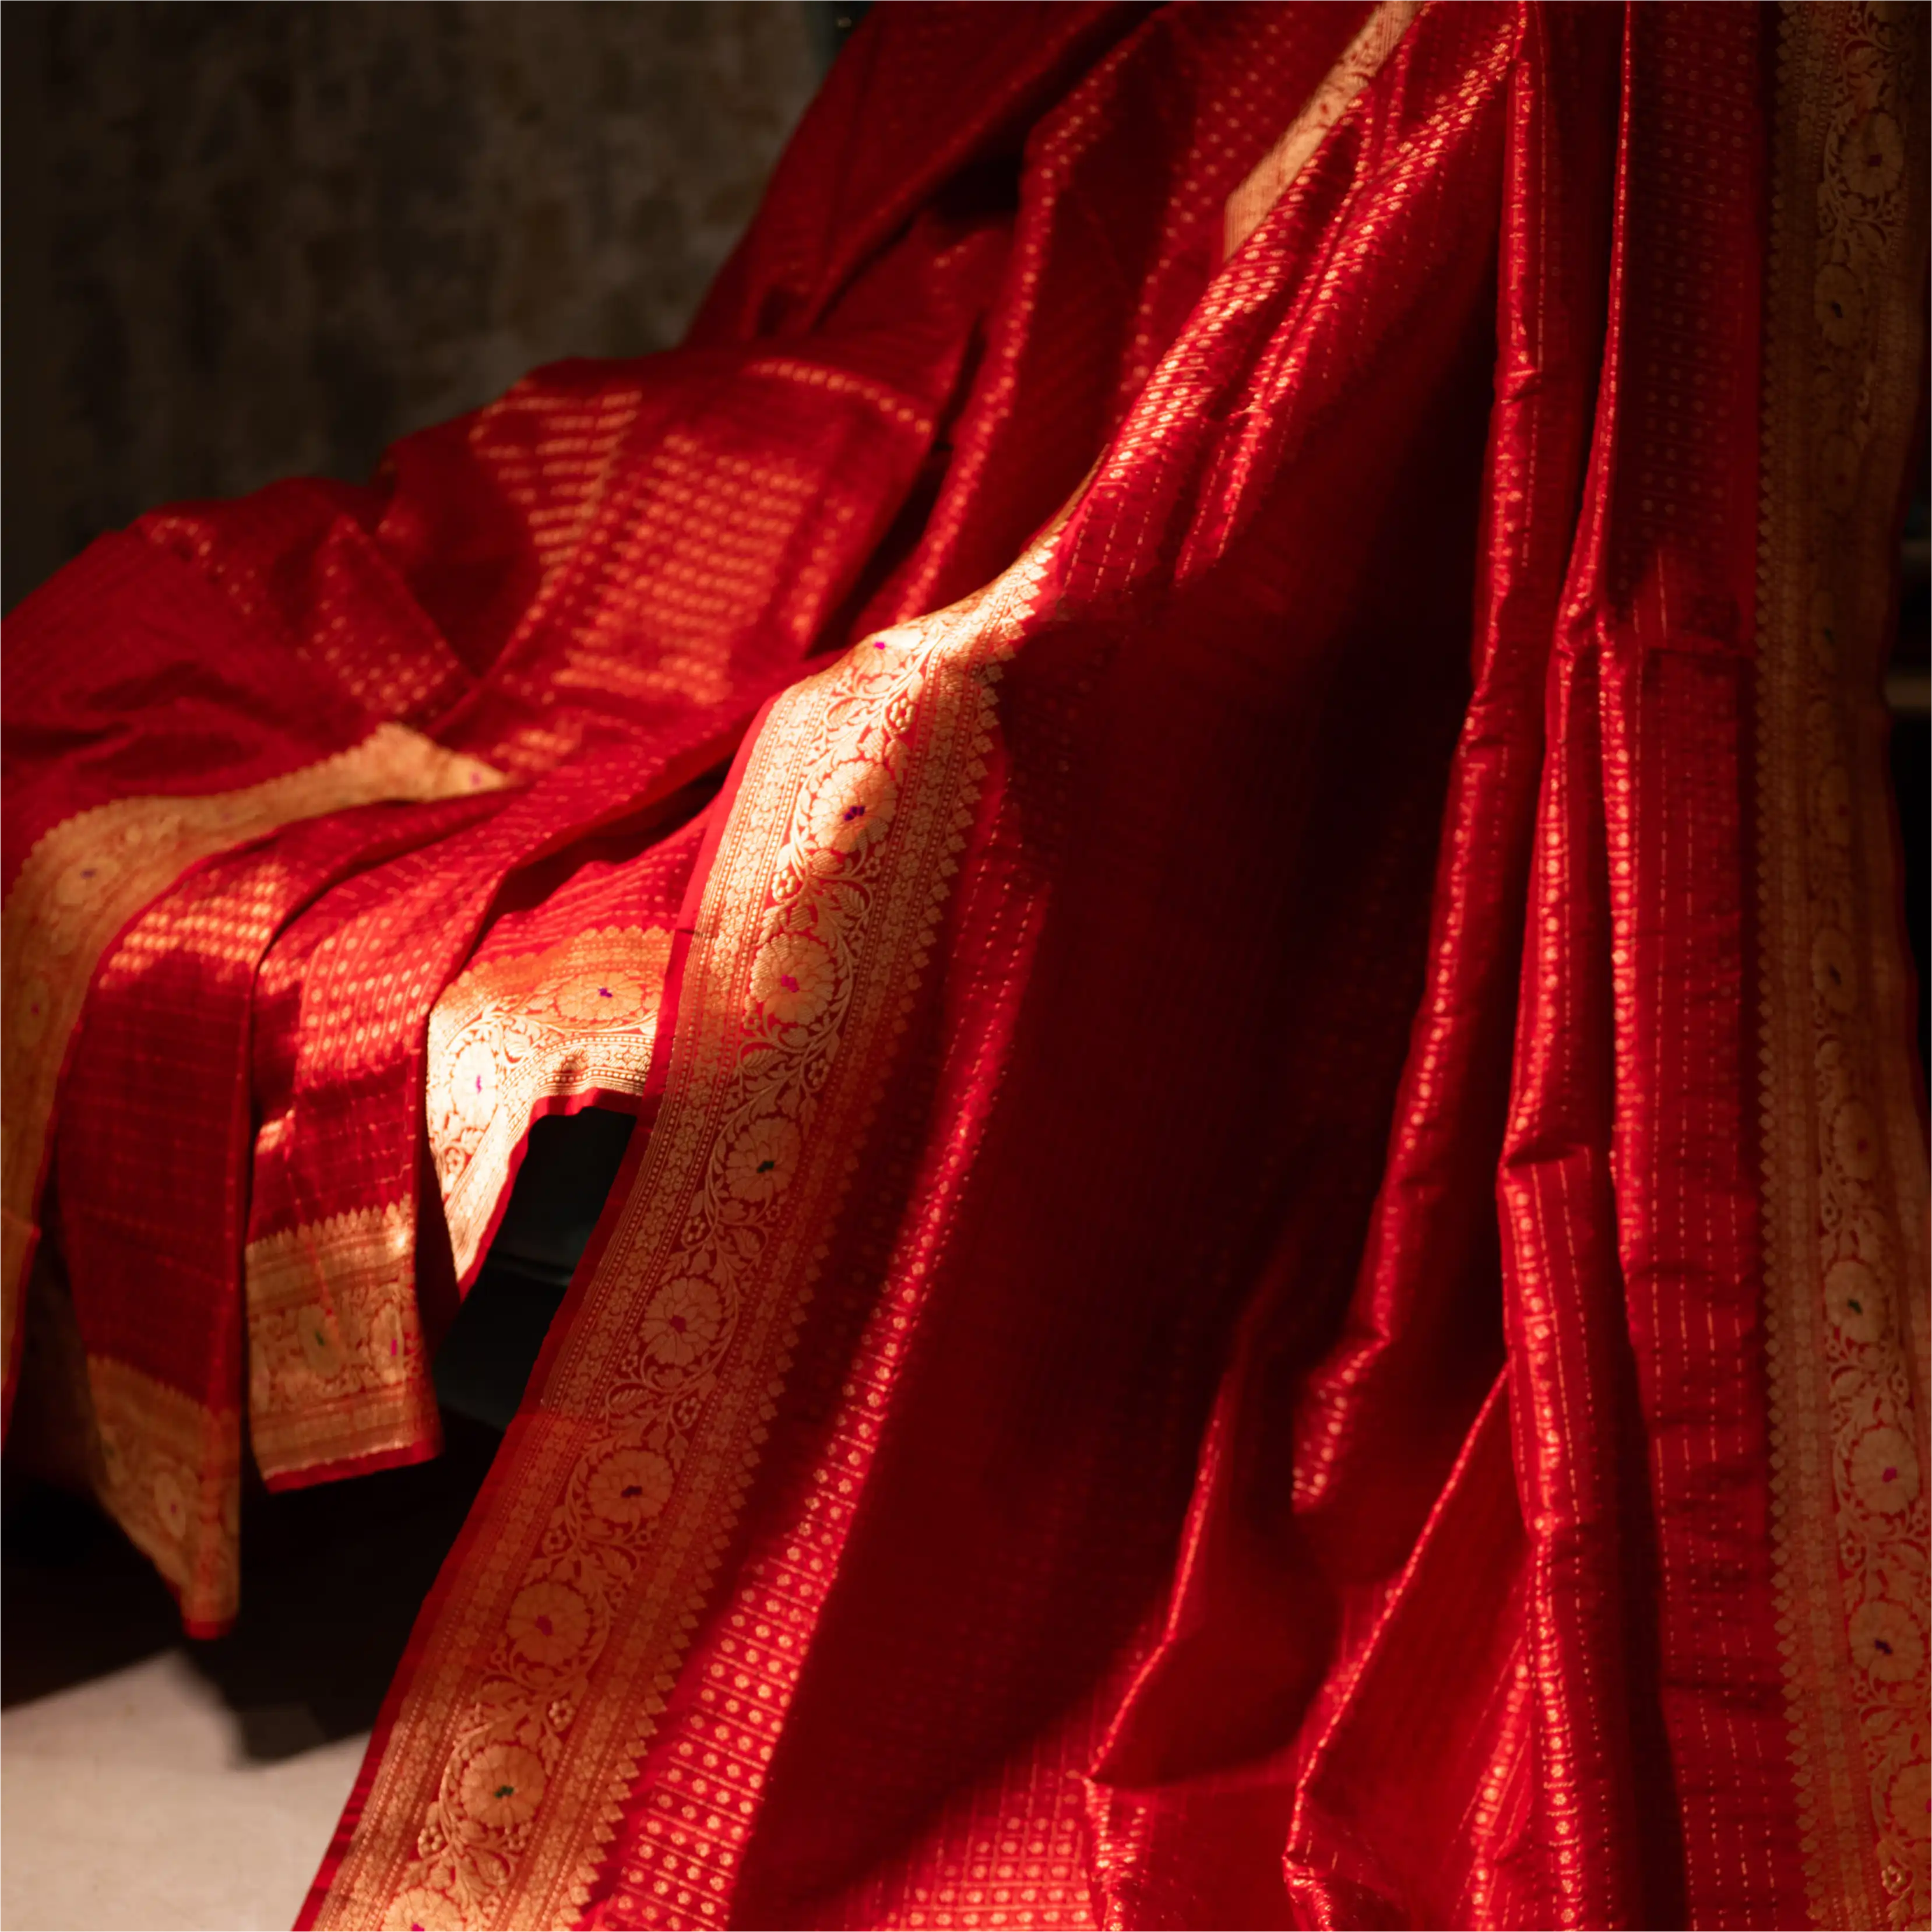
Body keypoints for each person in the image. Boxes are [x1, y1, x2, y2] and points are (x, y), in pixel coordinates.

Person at [1, 0, 1928, 1923]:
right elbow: (943, 303)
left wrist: (916, 708)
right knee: (141, 671)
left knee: (898, 792)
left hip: (1246, 681)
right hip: (898, 506)